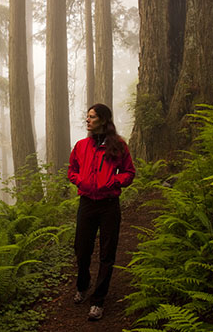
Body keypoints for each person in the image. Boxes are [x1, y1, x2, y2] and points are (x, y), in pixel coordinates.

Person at [68, 103, 135, 321]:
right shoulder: (80, 146)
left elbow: (129, 172)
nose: (87, 120)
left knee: (107, 253)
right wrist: (81, 181)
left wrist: (113, 182)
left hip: (109, 205)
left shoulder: (118, 145)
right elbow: (72, 170)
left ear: (103, 120)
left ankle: (98, 301)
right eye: (87, 116)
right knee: (82, 248)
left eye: (92, 117)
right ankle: (83, 284)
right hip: (87, 203)